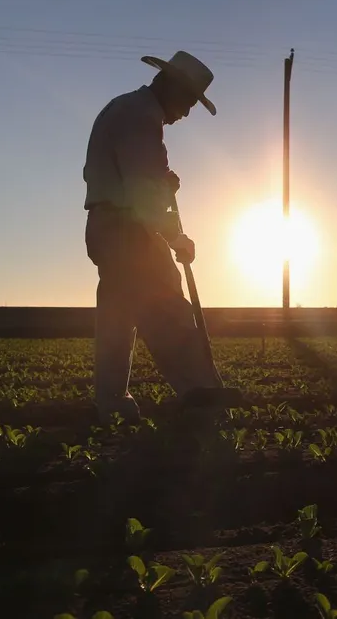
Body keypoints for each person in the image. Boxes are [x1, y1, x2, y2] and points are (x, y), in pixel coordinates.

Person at [82, 50, 239, 423]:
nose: (186, 114)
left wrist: (162, 184)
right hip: (128, 231)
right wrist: (174, 236)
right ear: (170, 86)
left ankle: (112, 403)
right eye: (187, 102)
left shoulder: (123, 108)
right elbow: (139, 193)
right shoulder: (142, 118)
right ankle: (203, 398)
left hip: (106, 227)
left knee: (118, 317)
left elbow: (129, 174)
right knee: (168, 307)